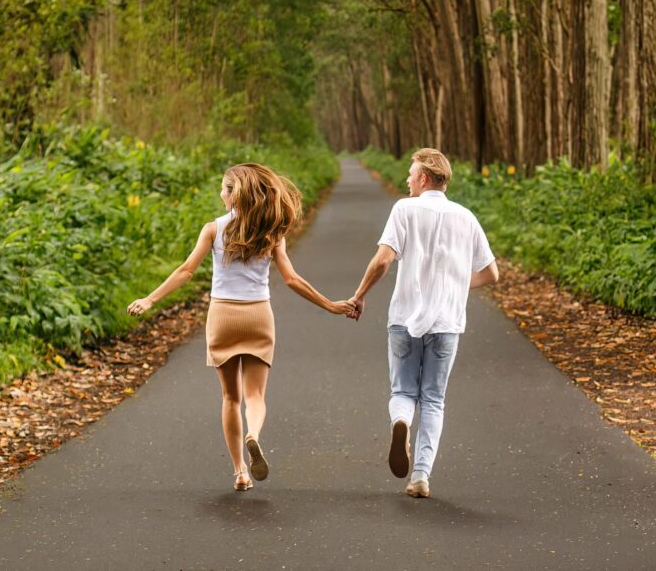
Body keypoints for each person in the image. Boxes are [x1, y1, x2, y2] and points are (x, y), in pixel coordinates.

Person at [128, 162, 354, 491]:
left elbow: (186, 271)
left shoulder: (213, 229)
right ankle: (254, 434)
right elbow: (291, 279)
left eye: (224, 188)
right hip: (258, 315)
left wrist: (150, 299)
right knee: (255, 395)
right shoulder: (272, 231)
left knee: (230, 398)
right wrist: (330, 305)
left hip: (222, 316)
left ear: (234, 195)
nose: (220, 193)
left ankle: (239, 472)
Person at [345, 148, 498, 498]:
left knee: (402, 392)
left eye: (411, 175)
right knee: (433, 399)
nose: (407, 181)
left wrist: (360, 295)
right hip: (447, 323)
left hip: (404, 319)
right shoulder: (466, 217)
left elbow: (383, 260)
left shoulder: (404, 209)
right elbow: (491, 274)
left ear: (425, 179)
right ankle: (421, 477)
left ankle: (401, 422)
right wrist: (458, 286)